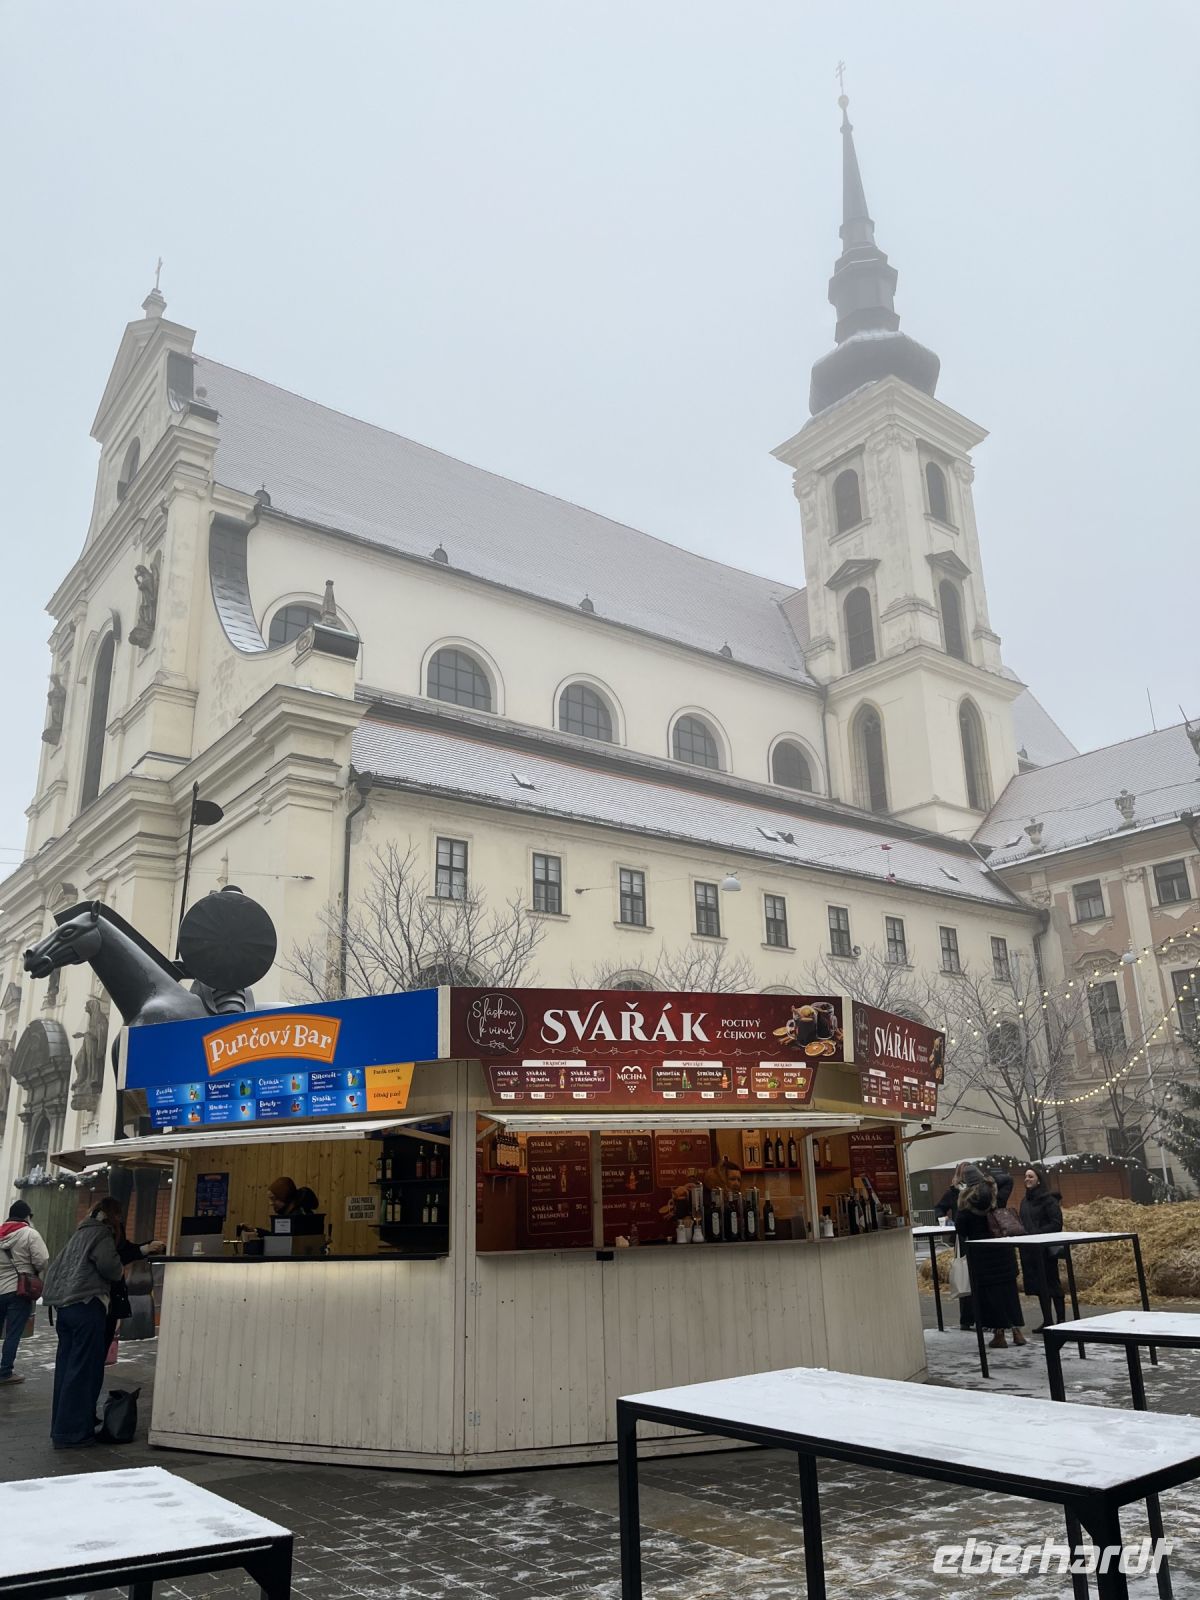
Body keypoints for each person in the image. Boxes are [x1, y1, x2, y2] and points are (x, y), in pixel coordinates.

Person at [42, 1204, 125, 1448]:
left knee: (66, 1369)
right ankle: (74, 1433)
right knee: (83, 1371)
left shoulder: (79, 1234)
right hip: (87, 1305)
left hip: (65, 1308)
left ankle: (61, 1428)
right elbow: (110, 1268)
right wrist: (120, 1268)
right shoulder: (101, 1234)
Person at [954, 1164, 1026, 1350]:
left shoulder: (965, 1203)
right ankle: (1017, 1332)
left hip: (982, 1257)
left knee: (992, 1297)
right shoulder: (996, 1197)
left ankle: (999, 1334)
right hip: (1003, 1252)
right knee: (1010, 1293)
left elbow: (961, 1229)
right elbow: (1008, 1179)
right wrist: (988, 1180)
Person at [90, 1197, 165, 1354]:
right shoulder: (107, 1232)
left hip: (88, 1298)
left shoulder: (87, 1229)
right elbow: (113, 1260)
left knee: (87, 1350)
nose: (120, 1219)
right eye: (119, 1215)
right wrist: (144, 1249)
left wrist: (145, 1248)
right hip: (101, 1295)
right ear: (114, 1214)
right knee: (97, 1348)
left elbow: (120, 1252)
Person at [0, 1200, 49, 1386]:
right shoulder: (29, 1234)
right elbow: (42, 1260)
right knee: (12, 1333)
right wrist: (31, 1269)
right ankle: (5, 1372)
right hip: (19, 1291)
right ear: (27, 1216)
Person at [1018, 1163, 1066, 1332]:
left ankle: (1061, 1320)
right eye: (1026, 1176)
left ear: (1039, 1180)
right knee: (1039, 1287)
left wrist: (1038, 1234)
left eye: (1031, 1176)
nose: (1027, 1179)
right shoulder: (1024, 1201)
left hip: (1046, 1250)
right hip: (1030, 1250)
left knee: (1052, 1284)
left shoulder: (1049, 1200)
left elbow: (1056, 1223)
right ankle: (1047, 1320)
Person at [934, 1162, 974, 1331]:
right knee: (964, 1275)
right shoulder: (953, 1192)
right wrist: (944, 1219)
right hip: (962, 1237)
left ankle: (980, 1316)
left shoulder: (979, 1190)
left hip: (977, 1236)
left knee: (975, 1277)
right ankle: (967, 1318)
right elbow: (939, 1208)